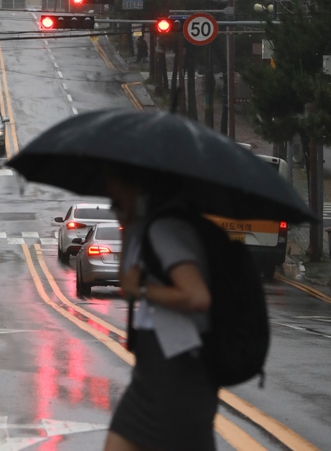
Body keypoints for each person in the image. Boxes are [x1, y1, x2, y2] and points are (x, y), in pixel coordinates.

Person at [103, 168, 217, 451]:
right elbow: (128, 283)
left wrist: (143, 290)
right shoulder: (146, 226)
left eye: (116, 192)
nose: (111, 199)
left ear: (137, 188)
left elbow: (197, 296)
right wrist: (126, 226)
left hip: (175, 373)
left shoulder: (166, 228)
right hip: (155, 367)